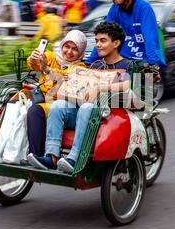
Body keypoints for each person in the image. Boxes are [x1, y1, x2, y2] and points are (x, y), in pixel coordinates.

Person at [27, 21, 132, 173]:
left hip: (107, 115)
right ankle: (51, 156)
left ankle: (74, 158)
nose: (98, 45)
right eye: (96, 41)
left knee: (86, 107)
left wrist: (101, 88)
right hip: (83, 111)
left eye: (103, 41)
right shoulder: (94, 65)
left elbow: (130, 85)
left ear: (116, 43)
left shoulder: (127, 65)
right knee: (57, 106)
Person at [86, 0, 166, 69]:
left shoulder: (143, 7)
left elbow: (150, 39)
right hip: (125, 64)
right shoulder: (114, 10)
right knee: (110, 84)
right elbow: (104, 34)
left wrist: (152, 65)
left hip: (145, 62)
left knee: (142, 84)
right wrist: (90, 62)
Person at [26, 30, 87, 158]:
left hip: (58, 103)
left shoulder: (80, 67)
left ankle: (36, 155)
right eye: (67, 47)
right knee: (12, 103)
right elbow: (35, 64)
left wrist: (47, 69)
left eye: (75, 49)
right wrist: (33, 58)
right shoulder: (52, 57)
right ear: (62, 45)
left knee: (35, 111)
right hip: (40, 97)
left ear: (80, 52)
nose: (69, 52)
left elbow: (64, 77)